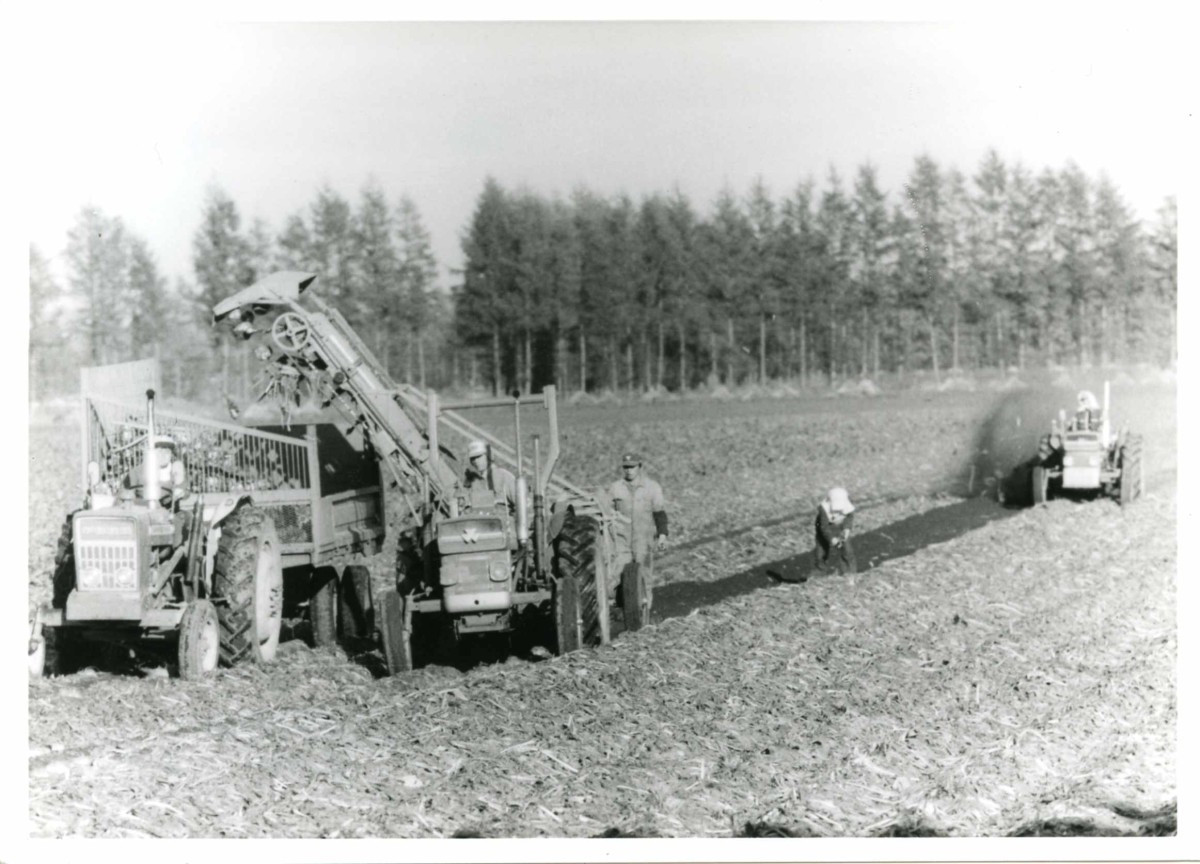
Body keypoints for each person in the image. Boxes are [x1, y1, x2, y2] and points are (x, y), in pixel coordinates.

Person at [607, 452, 669, 613]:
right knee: (619, 572)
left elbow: (659, 514)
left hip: (643, 537)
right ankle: (624, 608)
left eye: (632, 467)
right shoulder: (615, 488)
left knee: (643, 574)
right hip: (621, 539)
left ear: (640, 467)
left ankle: (644, 609)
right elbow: (608, 513)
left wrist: (662, 536)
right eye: (626, 467)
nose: (629, 470)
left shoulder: (652, 487)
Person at [463, 439, 517, 515]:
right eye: (473, 458)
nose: (476, 461)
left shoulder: (504, 477)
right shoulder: (473, 483)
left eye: (479, 456)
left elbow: (521, 506)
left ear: (489, 455)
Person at [814, 487, 856, 574]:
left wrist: (847, 528)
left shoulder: (848, 504)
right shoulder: (824, 508)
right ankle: (821, 570)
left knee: (847, 550)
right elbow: (823, 526)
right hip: (825, 526)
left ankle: (848, 572)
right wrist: (831, 538)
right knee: (821, 551)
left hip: (840, 525)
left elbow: (849, 517)